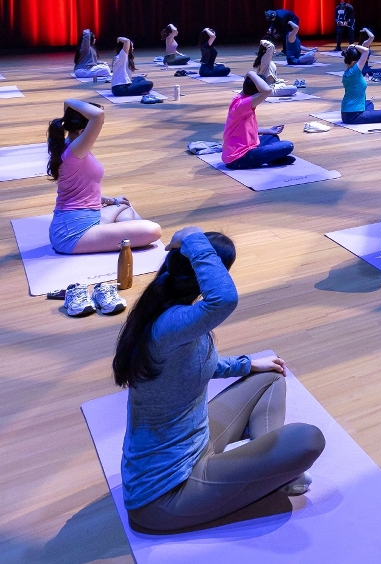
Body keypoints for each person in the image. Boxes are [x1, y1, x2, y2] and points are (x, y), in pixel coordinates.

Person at [114, 225, 325, 533]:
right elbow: (224, 299)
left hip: (196, 441)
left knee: (270, 377)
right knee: (308, 439)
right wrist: (192, 236)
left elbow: (193, 367)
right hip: (165, 497)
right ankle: (272, 473)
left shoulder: (168, 311)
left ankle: (272, 474)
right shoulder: (171, 323)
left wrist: (247, 365)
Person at [47, 98, 163, 257]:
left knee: (124, 207)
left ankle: (122, 232)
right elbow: (98, 115)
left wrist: (110, 200)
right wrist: (68, 100)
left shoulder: (69, 145)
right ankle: (124, 233)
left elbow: (80, 191)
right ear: (82, 131)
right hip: (73, 234)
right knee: (153, 230)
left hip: (86, 218)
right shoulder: (75, 151)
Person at [221, 73, 296, 170]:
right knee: (288, 145)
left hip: (245, 149)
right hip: (238, 159)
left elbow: (245, 130)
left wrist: (268, 130)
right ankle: (273, 159)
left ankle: (272, 158)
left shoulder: (240, 98)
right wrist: (250, 73)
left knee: (272, 137)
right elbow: (267, 91)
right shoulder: (243, 104)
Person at [340, 43, 381, 125]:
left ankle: (369, 115)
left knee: (369, 103)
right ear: (354, 62)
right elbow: (366, 51)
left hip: (346, 113)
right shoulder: (354, 71)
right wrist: (353, 46)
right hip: (354, 115)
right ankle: (367, 116)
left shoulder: (347, 72)